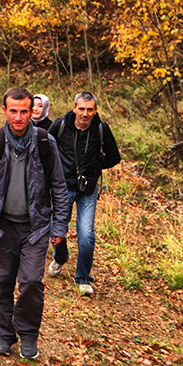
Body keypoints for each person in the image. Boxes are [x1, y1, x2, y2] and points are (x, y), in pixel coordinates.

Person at [0, 87, 69, 360]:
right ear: (4, 111)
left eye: (25, 111)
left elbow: (59, 186)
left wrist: (59, 226)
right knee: (3, 283)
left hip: (36, 229)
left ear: (32, 111)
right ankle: (4, 334)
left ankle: (29, 335)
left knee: (32, 282)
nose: (19, 117)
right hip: (3, 228)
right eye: (14, 111)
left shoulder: (46, 142)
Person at [46, 92, 121, 296]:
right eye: (82, 108)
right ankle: (60, 258)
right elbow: (46, 150)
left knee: (86, 234)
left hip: (88, 189)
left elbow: (114, 157)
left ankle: (83, 278)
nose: (85, 113)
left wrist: (94, 168)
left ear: (95, 110)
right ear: (74, 107)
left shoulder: (100, 129)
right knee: (55, 229)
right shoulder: (61, 126)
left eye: (89, 109)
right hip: (62, 187)